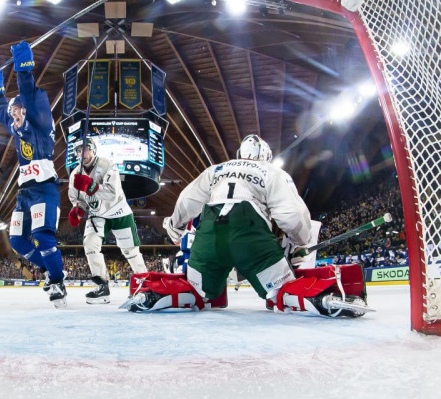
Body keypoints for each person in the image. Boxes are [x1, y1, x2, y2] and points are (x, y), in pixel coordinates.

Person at [126, 134, 368, 316]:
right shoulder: (271, 171)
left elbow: (187, 201)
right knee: (280, 291)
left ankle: (152, 295)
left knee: (197, 292)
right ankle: (325, 301)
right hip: (248, 236)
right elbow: (291, 216)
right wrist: (299, 242)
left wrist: (174, 228)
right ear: (266, 155)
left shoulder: (217, 170)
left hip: (209, 236)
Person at [0, 41, 67, 308]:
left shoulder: (40, 123)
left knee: (44, 237)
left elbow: (28, 92)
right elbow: (1, 113)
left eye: (16, 112)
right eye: (12, 114)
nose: (13, 117)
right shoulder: (17, 124)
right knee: (19, 241)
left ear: (26, 110)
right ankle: (50, 270)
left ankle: (58, 281)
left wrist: (23, 67)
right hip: (25, 193)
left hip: (44, 188)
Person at [67, 140, 147, 304]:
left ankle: (145, 284)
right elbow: (77, 199)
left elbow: (112, 193)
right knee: (90, 245)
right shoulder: (75, 174)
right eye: (79, 151)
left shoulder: (107, 164)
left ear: (94, 150)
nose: (83, 154)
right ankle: (102, 287)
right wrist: (78, 210)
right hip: (97, 214)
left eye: (86, 150)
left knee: (130, 251)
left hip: (119, 211)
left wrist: (90, 186)